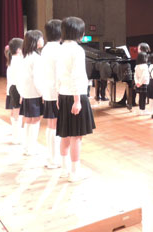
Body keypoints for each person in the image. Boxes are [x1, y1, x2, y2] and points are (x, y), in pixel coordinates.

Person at [56, 17, 96, 182]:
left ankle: (64, 169)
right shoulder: (77, 50)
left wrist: (58, 95)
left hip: (63, 94)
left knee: (65, 135)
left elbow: (58, 75)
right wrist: (77, 100)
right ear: (78, 32)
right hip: (75, 95)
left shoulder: (60, 49)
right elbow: (77, 76)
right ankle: (74, 172)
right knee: (76, 136)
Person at [18, 30, 45, 156]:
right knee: (35, 121)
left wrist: (22, 93)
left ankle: (27, 146)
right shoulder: (36, 58)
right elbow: (38, 79)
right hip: (35, 93)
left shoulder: (24, 57)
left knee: (28, 120)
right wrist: (42, 93)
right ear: (35, 41)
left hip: (27, 93)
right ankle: (31, 147)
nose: (43, 40)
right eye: (41, 38)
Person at [42, 19, 63, 168]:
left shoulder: (45, 49)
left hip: (48, 91)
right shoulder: (58, 50)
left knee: (51, 125)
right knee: (56, 126)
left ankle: (51, 157)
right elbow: (60, 74)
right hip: (57, 92)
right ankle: (55, 159)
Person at [6, 37, 24, 145]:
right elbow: (19, 79)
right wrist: (22, 93)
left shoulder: (12, 59)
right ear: (18, 50)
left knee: (14, 112)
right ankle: (16, 137)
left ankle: (15, 134)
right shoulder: (18, 61)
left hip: (13, 88)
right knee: (18, 113)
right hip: (18, 88)